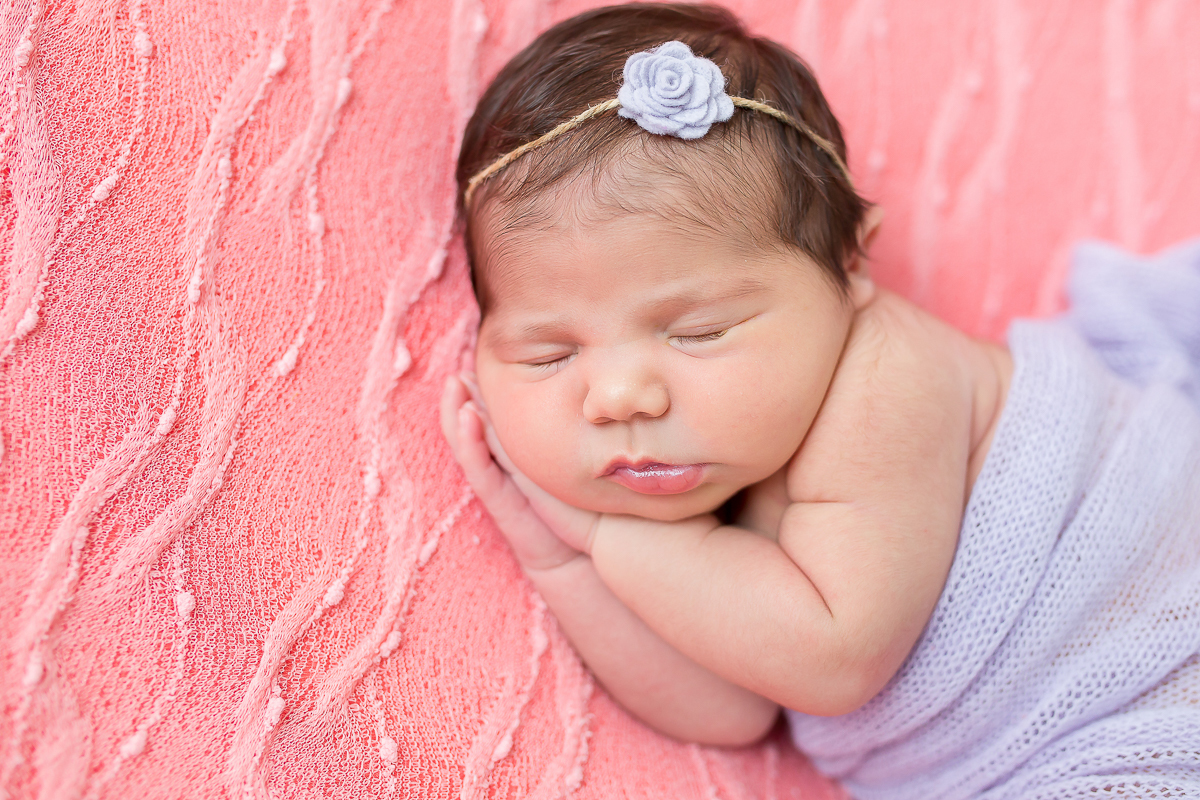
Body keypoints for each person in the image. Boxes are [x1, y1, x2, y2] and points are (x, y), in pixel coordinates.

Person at [440, 4, 1200, 798]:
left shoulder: (887, 377)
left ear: (849, 264)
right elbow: (733, 708)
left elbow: (831, 659)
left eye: (700, 332)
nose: (619, 396)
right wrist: (559, 557)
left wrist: (605, 538)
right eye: (548, 353)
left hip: (1158, 682)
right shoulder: (725, 449)